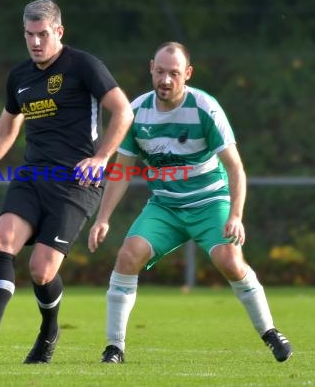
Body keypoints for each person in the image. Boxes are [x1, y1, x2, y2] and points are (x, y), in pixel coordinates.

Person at [0, 0, 134, 364]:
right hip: (32, 176)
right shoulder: (20, 76)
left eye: (42, 34)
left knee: (41, 271)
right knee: (0, 240)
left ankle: (49, 330)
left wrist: (100, 158)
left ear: (58, 32)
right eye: (29, 35)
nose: (35, 42)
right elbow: (6, 128)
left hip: (77, 182)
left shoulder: (84, 66)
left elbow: (123, 110)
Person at [88, 42, 293, 364]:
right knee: (128, 256)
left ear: (188, 74)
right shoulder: (137, 111)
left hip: (210, 202)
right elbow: (122, 171)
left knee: (230, 262)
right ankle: (114, 347)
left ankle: (270, 332)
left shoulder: (204, 108)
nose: (165, 80)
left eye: (173, 73)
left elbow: (235, 167)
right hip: (165, 207)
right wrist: (103, 219)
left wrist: (236, 215)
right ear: (150, 69)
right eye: (160, 72)